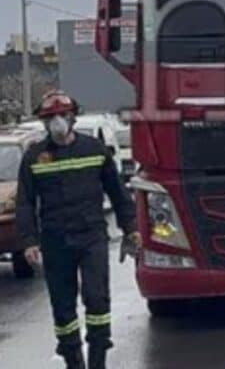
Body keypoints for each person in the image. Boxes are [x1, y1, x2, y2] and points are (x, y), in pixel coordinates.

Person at [15, 91, 141, 369]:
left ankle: (98, 360)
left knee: (97, 299)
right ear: (43, 122)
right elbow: (25, 201)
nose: (57, 121)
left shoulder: (94, 149)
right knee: (63, 307)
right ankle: (73, 361)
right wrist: (29, 241)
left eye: (62, 115)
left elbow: (118, 192)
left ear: (73, 117)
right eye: (50, 117)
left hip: (91, 237)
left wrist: (131, 227)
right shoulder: (35, 156)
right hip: (55, 240)